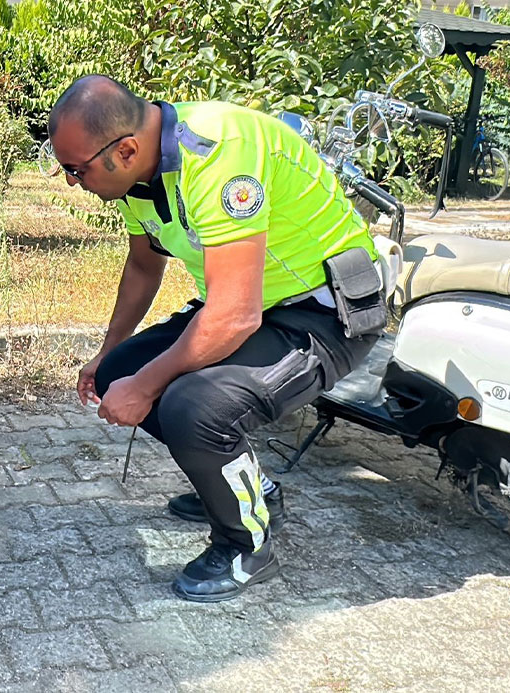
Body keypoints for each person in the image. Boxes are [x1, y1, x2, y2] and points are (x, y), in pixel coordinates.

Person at [48, 75, 381, 602]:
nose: (72, 182)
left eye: (76, 170)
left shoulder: (218, 151)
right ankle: (248, 488)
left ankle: (245, 546)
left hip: (323, 313)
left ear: (126, 149)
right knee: (119, 373)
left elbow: (233, 317)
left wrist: (145, 386)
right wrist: (108, 354)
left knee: (193, 406)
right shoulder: (139, 171)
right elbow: (143, 266)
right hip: (251, 308)